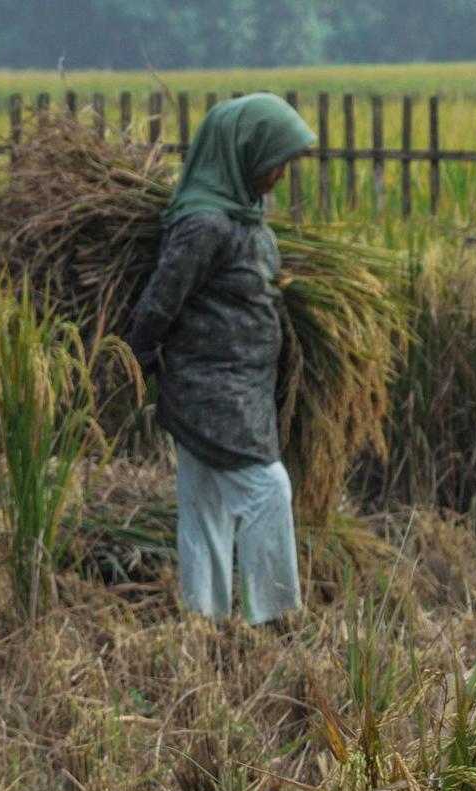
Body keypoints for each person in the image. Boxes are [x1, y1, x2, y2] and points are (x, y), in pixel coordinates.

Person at [126, 93, 313, 628]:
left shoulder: (244, 216)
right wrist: (135, 358)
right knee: (266, 488)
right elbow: (161, 300)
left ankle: (204, 623)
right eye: (273, 159)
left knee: (204, 499)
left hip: (242, 382)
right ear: (240, 154)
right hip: (211, 387)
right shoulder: (204, 224)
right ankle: (275, 619)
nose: (279, 173)